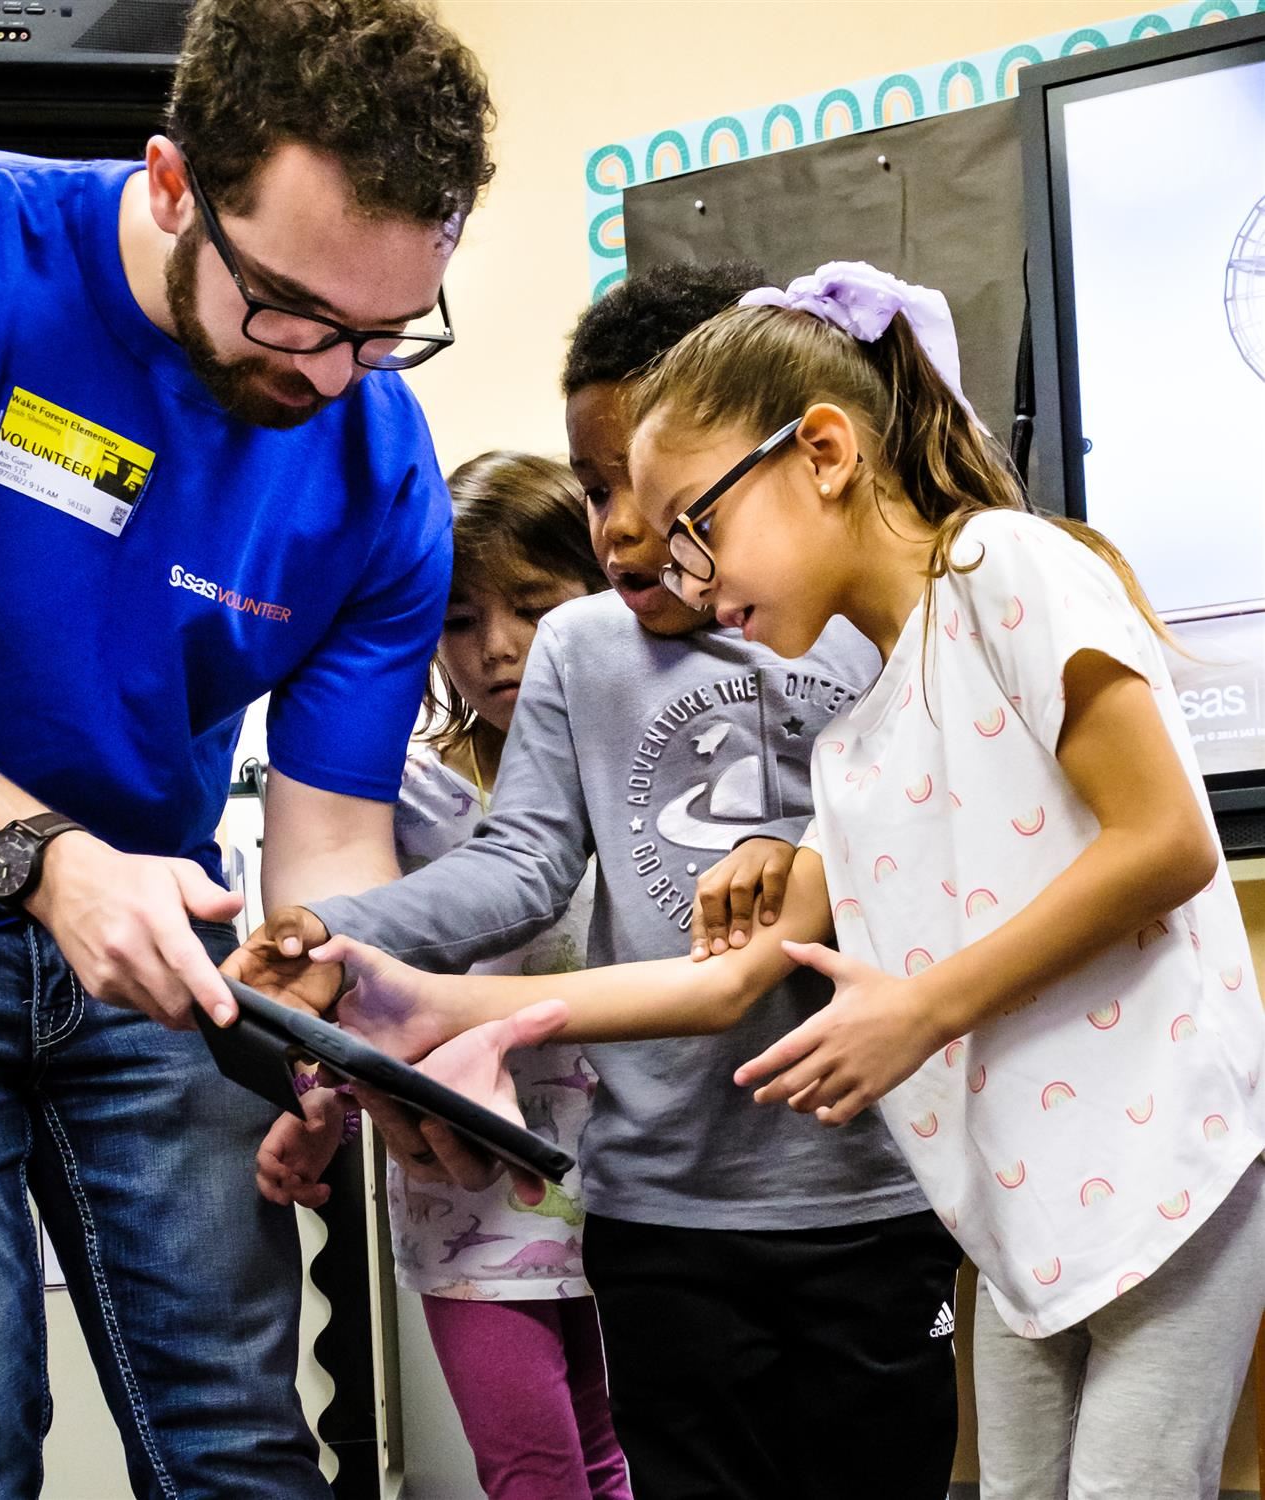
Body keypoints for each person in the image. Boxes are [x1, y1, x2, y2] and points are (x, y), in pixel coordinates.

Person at [308, 262, 1265, 1500]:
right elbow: (721, 987)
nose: (685, 575)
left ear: (821, 453)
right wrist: (426, 1004)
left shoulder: (1008, 568)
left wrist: (924, 1007)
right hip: (1024, 1221)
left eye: (698, 524)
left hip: (1162, 1179)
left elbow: (1169, 845)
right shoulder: (862, 750)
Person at [0, 1, 498, 1493]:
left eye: (386, 328)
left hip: (155, 945)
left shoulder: (377, 459)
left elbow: (332, 841)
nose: (336, 372)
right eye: (294, 312)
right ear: (173, 185)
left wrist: (332, 1016)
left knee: (238, 1445)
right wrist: (45, 865)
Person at [247, 263, 963, 1500]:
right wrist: (339, 926)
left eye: (650, 487)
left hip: (867, 1191)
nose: (621, 527)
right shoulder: (583, 647)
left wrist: (791, 850)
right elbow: (521, 865)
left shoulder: (874, 623)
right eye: (594, 488)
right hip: (663, 1210)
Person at [260, 450, 628, 1499]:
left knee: (613, 1452)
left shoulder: (642, 767)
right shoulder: (412, 793)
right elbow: (355, 976)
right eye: (461, 620)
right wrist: (314, 1101)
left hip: (629, 1181)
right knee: (532, 1471)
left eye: (534, 605)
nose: (499, 649)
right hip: (468, 1199)